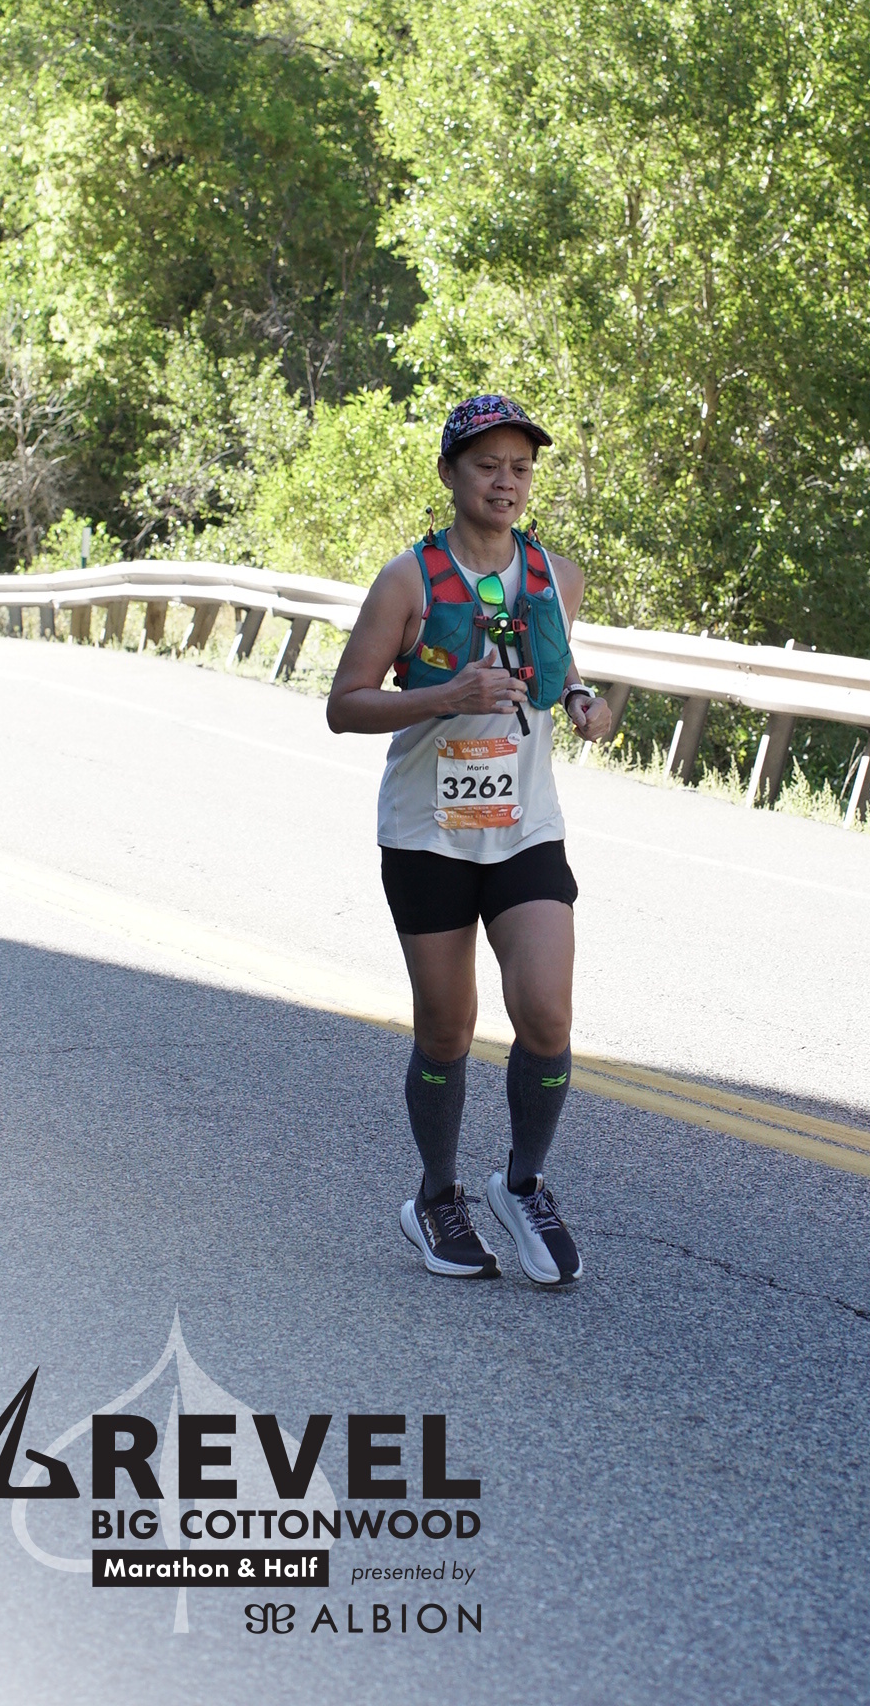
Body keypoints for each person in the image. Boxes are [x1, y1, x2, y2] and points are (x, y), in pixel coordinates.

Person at [327, 394, 613, 1286]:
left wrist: (582, 701)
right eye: (487, 465)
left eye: (520, 468)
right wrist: (446, 697)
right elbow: (345, 705)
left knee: (547, 1014)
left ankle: (523, 1185)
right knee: (448, 1031)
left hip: (526, 828)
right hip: (428, 834)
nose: (505, 482)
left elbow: (554, 661)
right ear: (451, 473)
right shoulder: (408, 581)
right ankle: (437, 1196)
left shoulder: (557, 575)